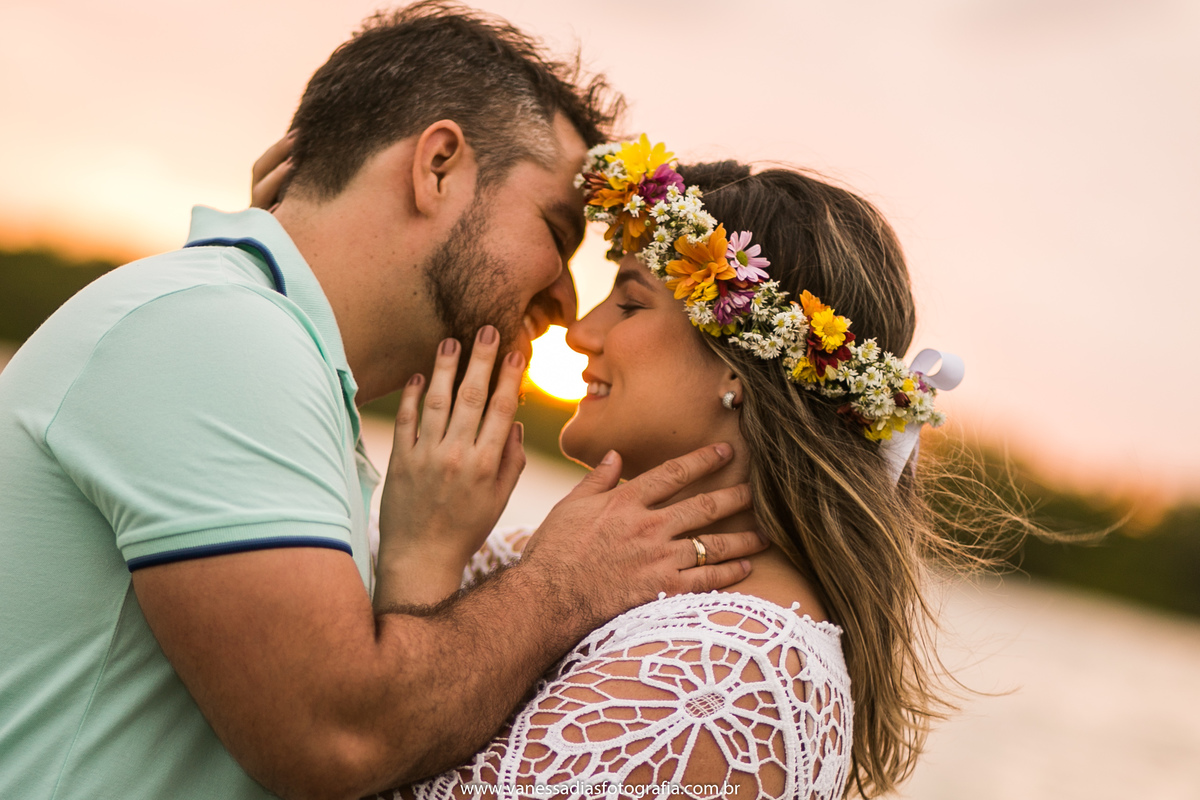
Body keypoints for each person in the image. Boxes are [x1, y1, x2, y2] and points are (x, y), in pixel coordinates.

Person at [0, 7, 767, 800]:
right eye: (556, 227)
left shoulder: (251, 344)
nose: (568, 307)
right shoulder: (219, 333)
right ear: (437, 166)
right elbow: (338, 738)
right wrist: (565, 583)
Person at [360, 139, 970, 798]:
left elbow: (352, 765)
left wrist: (420, 554)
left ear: (737, 366)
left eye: (628, 302)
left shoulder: (728, 679)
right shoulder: (600, 569)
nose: (580, 332)